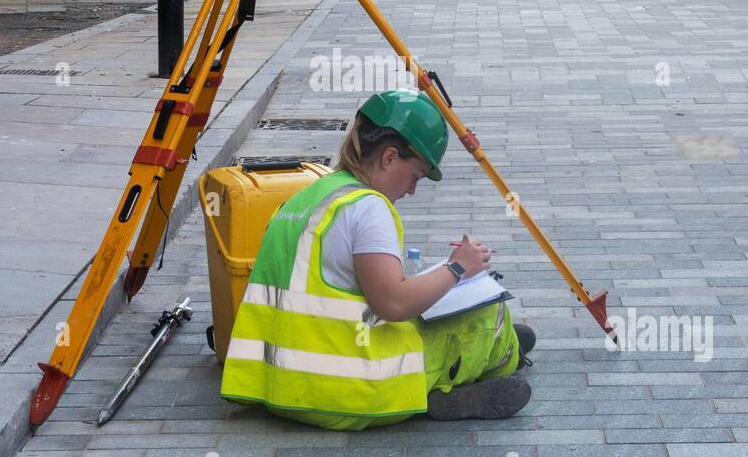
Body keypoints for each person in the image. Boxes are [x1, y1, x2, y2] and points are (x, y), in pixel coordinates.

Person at [220, 90, 536, 431]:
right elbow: (393, 304)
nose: (412, 190)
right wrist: (458, 268)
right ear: (388, 157)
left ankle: (493, 356)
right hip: (346, 390)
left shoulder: (311, 194)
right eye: (415, 175)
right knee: (487, 314)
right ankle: (469, 373)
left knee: (435, 314)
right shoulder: (369, 207)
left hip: (281, 387)